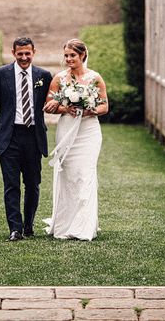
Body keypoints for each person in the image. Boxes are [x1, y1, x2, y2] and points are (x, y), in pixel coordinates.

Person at [0, 36, 53, 241]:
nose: (24, 57)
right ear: (13, 53)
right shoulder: (0, 74)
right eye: (20, 53)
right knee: (11, 185)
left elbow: (55, 101)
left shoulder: (43, 75)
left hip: (34, 136)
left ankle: (28, 225)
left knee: (33, 184)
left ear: (34, 52)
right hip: (8, 137)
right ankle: (15, 228)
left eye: (27, 53)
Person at [43, 38, 109, 240]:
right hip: (67, 129)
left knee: (85, 174)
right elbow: (48, 105)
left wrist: (91, 110)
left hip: (88, 132)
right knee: (69, 175)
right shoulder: (59, 78)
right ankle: (65, 225)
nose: (69, 59)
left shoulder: (95, 78)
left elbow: (104, 106)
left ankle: (84, 226)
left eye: (73, 55)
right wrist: (64, 107)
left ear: (83, 56)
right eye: (66, 55)